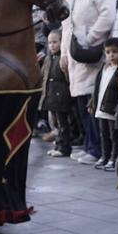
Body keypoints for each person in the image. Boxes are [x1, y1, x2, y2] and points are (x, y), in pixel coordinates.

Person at [60, 0, 116, 164]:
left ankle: (97, 149)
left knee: (93, 103)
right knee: (82, 102)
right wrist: (64, 54)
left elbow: (107, 15)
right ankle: (89, 146)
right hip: (76, 57)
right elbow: (67, 25)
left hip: (93, 53)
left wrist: (90, 39)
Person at [87, 38, 118, 171]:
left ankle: (114, 158)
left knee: (114, 135)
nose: (111, 55)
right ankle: (105, 156)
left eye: (115, 52)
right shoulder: (104, 68)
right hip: (101, 108)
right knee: (103, 134)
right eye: (108, 52)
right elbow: (98, 87)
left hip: (112, 109)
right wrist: (92, 102)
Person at [41, 30, 73, 158]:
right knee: (55, 123)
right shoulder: (48, 58)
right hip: (51, 95)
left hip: (61, 95)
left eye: (55, 42)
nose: (52, 45)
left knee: (62, 123)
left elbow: (67, 77)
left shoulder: (63, 58)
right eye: (50, 43)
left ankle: (64, 147)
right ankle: (57, 145)